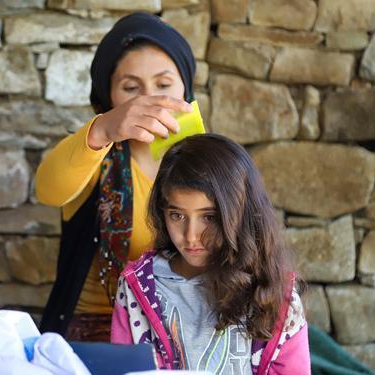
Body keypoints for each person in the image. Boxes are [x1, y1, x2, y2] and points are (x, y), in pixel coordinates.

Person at [36, 12, 196, 341]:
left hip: (187, 329)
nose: (148, 99)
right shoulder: (92, 154)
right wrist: (103, 129)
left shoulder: (208, 164)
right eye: (130, 87)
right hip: (96, 333)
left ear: (186, 90)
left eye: (163, 85)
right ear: (109, 99)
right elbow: (48, 190)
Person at [110, 134, 310, 374]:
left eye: (209, 217)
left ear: (241, 213)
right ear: (161, 212)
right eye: (177, 215)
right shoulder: (136, 287)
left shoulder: (278, 295)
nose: (191, 235)